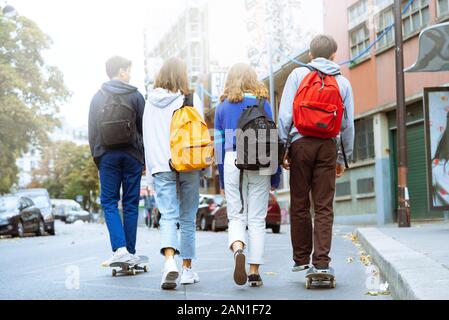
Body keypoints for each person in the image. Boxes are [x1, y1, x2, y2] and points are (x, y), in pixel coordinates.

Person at [278, 35, 355, 276]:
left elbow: (284, 116)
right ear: (334, 56)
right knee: (323, 206)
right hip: (327, 147)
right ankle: (321, 263)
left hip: (300, 143)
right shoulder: (342, 82)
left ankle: (301, 259)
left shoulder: (297, 75)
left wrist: (284, 147)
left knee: (299, 202)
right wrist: (343, 158)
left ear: (310, 55)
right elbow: (348, 125)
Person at [215, 63, 281, 287]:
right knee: (256, 219)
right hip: (259, 159)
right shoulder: (263, 104)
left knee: (236, 216)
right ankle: (254, 272)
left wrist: (222, 179)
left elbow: (218, 145)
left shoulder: (222, 107)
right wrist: (275, 176)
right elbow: (272, 138)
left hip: (232, 159)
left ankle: (238, 249)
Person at [143, 57, 203, 290]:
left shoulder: (150, 102)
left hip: (160, 165)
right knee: (188, 217)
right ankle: (187, 270)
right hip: (187, 162)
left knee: (168, 216)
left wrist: (150, 174)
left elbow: (147, 140)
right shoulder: (190, 98)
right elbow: (200, 132)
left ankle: (169, 262)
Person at [88, 56, 146, 267]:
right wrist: (143, 159)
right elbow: (143, 129)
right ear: (121, 71)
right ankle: (130, 251)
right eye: (128, 70)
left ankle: (120, 250)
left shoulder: (97, 97)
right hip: (132, 155)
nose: (130, 74)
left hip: (107, 156)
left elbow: (92, 132)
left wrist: (99, 159)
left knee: (109, 202)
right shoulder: (137, 96)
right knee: (130, 203)